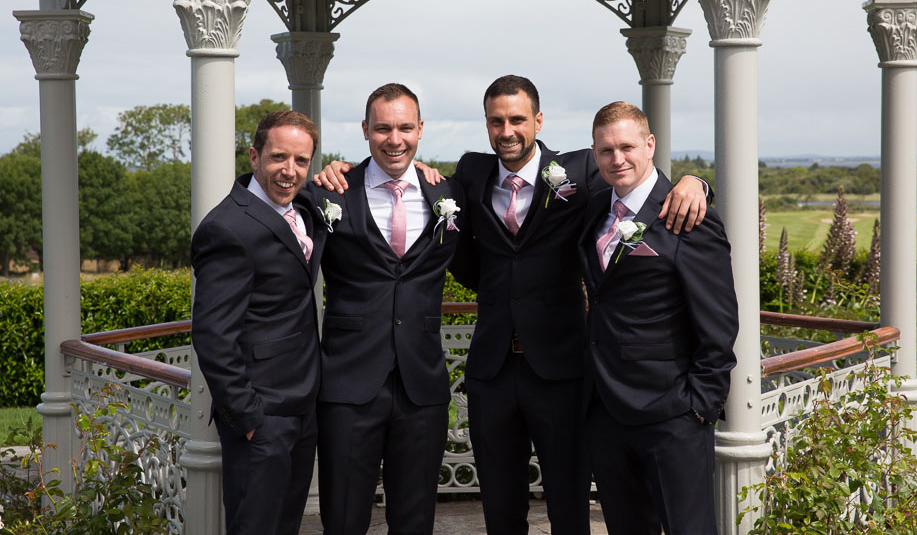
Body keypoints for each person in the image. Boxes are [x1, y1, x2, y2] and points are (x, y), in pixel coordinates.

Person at [316, 75, 710, 534]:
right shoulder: (470, 176)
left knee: (568, 511)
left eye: (518, 119)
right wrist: (341, 169)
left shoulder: (582, 172)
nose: (507, 131)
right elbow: (453, 243)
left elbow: (637, 183)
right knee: (501, 514)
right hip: (491, 374)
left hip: (562, 373)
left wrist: (695, 181)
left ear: (538, 120)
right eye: (496, 121)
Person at [310, 83, 464, 535]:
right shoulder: (329, 195)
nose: (394, 139)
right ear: (364, 131)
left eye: (404, 128)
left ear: (420, 130)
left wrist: (689, 179)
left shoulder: (448, 197)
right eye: (382, 129)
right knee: (342, 518)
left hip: (422, 387)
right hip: (347, 385)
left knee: (415, 521)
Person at [580, 101, 738, 535]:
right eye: (606, 150)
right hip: (607, 414)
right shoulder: (594, 211)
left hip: (673, 418)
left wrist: (698, 409)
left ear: (650, 145)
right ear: (594, 155)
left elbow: (719, 324)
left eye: (628, 147)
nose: (618, 159)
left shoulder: (688, 217)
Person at [191, 110, 326, 535]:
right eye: (278, 157)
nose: (290, 171)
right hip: (262, 417)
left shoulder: (305, 207)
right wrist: (249, 419)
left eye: (301, 161)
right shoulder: (227, 228)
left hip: (303, 409)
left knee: (286, 526)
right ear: (254, 156)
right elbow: (213, 337)